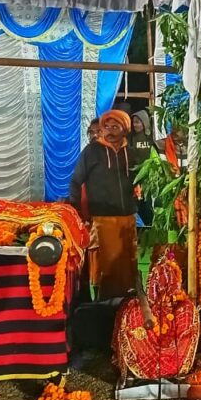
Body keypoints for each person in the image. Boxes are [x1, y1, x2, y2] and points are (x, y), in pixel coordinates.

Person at [70, 110, 138, 300]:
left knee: (128, 262)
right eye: (106, 127)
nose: (109, 131)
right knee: (107, 265)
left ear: (125, 129)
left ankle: (128, 302)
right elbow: (76, 181)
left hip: (127, 217)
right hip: (103, 218)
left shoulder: (131, 153)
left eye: (115, 127)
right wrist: (76, 212)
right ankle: (106, 303)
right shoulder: (92, 151)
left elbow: (141, 179)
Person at [128, 109, 155, 226]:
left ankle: (149, 226)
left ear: (144, 122)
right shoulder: (130, 138)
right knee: (137, 201)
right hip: (136, 177)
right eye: (133, 122)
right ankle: (140, 227)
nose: (135, 125)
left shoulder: (151, 138)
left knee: (148, 202)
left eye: (138, 122)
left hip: (149, 176)